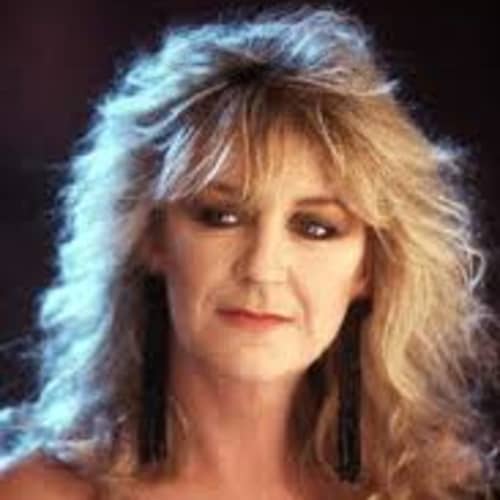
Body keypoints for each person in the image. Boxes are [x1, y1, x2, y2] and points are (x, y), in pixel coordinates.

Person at [0, 4, 498, 499]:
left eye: (315, 228)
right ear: (151, 237)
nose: (262, 268)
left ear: (368, 268)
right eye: (221, 217)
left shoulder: (438, 492)